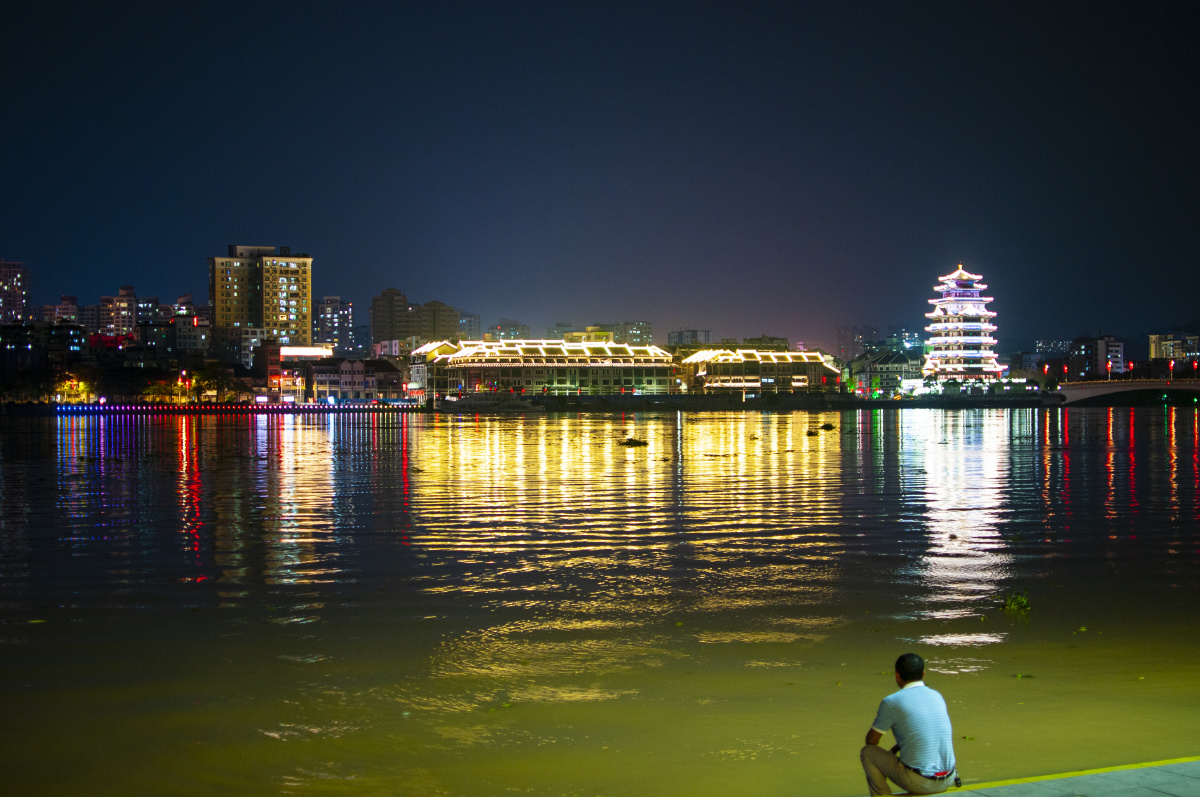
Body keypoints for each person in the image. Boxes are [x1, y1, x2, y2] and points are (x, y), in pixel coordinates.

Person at [860, 652, 958, 796]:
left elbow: (871, 741)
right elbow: (922, 733)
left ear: (897, 675)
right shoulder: (937, 696)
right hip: (949, 778)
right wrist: (896, 748)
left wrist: (889, 757)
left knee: (867, 752)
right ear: (923, 674)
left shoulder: (892, 702)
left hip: (921, 782)